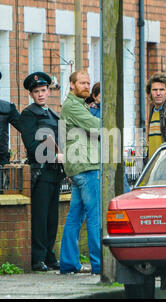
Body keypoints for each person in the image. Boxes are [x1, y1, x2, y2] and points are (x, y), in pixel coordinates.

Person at [20, 71, 65, 272]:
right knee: (40, 216)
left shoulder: (53, 115)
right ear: (31, 94)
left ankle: (49, 254)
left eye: (43, 90)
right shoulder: (29, 114)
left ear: (49, 91)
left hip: (55, 172)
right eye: (36, 91)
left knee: (52, 217)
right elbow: (31, 143)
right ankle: (38, 257)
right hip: (41, 171)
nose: (40, 94)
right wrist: (54, 156)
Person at [59, 70, 101, 275]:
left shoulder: (78, 105)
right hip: (86, 167)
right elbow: (97, 126)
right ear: (72, 85)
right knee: (95, 215)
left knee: (75, 216)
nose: (86, 86)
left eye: (88, 83)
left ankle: (68, 263)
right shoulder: (73, 106)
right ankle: (99, 264)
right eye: (82, 83)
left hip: (80, 167)